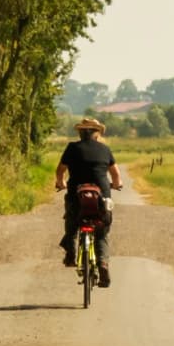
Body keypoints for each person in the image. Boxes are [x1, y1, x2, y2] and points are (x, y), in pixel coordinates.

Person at [55, 117, 123, 286]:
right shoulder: (104, 149)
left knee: (71, 222)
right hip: (101, 198)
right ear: (97, 134)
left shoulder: (72, 148)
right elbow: (115, 174)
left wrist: (60, 182)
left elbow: (60, 170)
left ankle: (71, 253)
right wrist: (117, 184)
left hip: (76, 197)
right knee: (101, 231)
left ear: (80, 133)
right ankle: (103, 263)